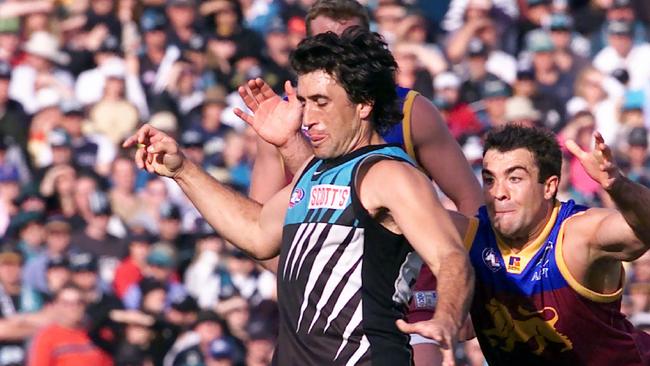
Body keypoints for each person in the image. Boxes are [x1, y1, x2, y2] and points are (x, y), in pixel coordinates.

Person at [124, 28, 473, 365]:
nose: (308, 116)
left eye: (321, 102)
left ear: (364, 104)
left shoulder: (389, 174)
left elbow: (450, 257)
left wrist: (446, 317)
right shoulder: (315, 172)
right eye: (303, 102)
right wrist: (183, 169)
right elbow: (257, 234)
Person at [242, 2, 482, 363]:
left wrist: (464, 299)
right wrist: (321, 280)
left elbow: (471, 206)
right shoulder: (281, 119)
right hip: (322, 311)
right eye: (327, 41)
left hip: (414, 292)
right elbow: (262, 230)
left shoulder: (411, 112)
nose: (339, 50)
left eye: (350, 40)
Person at [443, 125, 650, 364]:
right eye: (489, 179)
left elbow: (645, 232)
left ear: (549, 187)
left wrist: (617, 184)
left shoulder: (577, 235)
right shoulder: (469, 236)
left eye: (515, 178)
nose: (498, 192)